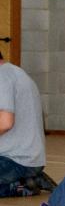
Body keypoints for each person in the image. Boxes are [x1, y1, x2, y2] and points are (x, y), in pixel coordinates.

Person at [0, 49, 55, 197]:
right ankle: (30, 178)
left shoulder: (2, 77)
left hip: (15, 160)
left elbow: (5, 123)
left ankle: (24, 185)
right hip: (26, 159)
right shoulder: (14, 72)